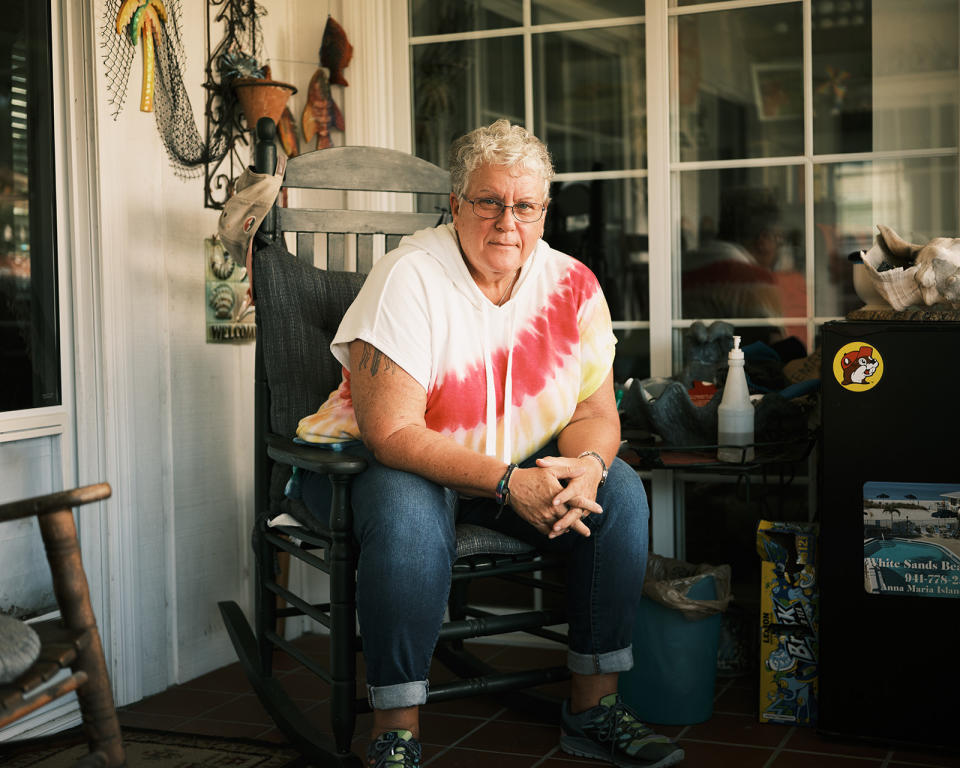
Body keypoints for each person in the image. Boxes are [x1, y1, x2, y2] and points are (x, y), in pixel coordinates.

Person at [296, 119, 684, 768]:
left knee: (617, 490)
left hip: (509, 472)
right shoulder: (410, 277)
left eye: (525, 205)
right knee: (406, 507)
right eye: (489, 202)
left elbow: (594, 411)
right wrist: (508, 481)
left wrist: (588, 464)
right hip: (384, 468)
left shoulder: (573, 286)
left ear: (544, 211)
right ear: (455, 204)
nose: (509, 221)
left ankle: (592, 708)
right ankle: (396, 731)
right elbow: (392, 434)